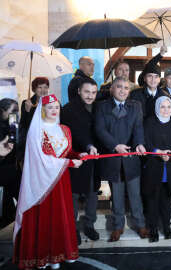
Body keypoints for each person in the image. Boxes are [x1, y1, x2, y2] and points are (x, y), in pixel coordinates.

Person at [13, 94, 84, 270]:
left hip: (61, 181)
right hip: (41, 183)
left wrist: (77, 155)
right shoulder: (36, 131)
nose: (54, 110)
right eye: (50, 107)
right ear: (42, 110)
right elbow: (39, 160)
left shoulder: (64, 129)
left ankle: (58, 256)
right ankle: (42, 257)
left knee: (60, 217)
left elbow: (66, 152)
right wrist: (69, 162)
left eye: (56, 107)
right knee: (44, 217)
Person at [94, 77, 148, 242]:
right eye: (119, 87)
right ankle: (118, 226)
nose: (123, 90)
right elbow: (100, 130)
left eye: (126, 88)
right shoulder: (102, 107)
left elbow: (138, 128)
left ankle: (140, 224)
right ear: (112, 89)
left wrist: (139, 144)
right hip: (113, 157)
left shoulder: (135, 106)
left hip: (131, 157)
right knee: (116, 195)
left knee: (135, 194)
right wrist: (115, 145)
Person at [60, 79, 100, 245]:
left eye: (93, 92)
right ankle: (72, 228)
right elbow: (74, 132)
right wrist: (88, 145)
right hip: (76, 157)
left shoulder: (99, 107)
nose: (90, 96)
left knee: (93, 193)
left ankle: (89, 224)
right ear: (78, 91)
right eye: (86, 92)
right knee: (73, 196)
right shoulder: (68, 109)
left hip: (95, 158)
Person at [142, 96, 171, 242]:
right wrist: (157, 151)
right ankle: (153, 228)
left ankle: (167, 226)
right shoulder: (149, 122)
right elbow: (145, 142)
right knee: (152, 200)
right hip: (154, 166)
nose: (166, 110)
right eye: (162, 107)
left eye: (169, 107)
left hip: (170, 168)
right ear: (157, 107)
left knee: (167, 201)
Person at [130, 51, 169, 119]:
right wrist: (160, 54)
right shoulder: (134, 95)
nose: (153, 80)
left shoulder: (165, 96)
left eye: (156, 76)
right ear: (144, 78)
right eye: (150, 76)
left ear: (159, 79)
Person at [0, 98, 20, 229]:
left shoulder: (13, 126)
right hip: (4, 174)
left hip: (13, 171)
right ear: (2, 111)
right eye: (13, 111)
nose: (16, 114)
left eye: (18, 111)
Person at [19, 77, 50, 160]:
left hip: (48, 141)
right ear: (34, 89)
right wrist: (28, 111)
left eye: (46, 87)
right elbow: (24, 124)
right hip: (32, 142)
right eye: (40, 87)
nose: (43, 90)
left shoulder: (53, 103)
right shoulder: (27, 103)